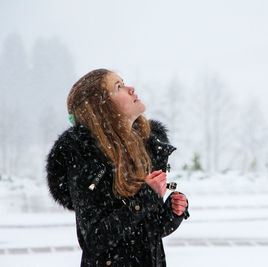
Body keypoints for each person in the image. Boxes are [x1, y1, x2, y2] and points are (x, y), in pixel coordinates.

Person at [46, 69, 189, 267]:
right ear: (100, 107)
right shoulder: (85, 157)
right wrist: (146, 197)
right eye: (119, 87)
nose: (131, 89)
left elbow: (146, 232)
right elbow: (95, 239)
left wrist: (172, 213)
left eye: (124, 83)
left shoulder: (145, 149)